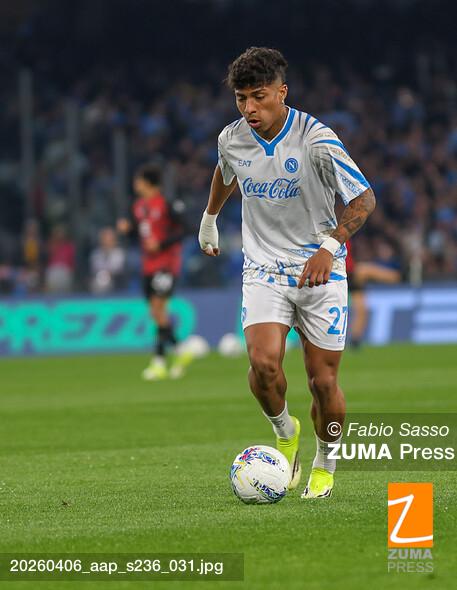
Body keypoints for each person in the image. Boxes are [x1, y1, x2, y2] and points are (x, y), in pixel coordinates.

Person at [198, 47, 376, 498]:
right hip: (263, 269)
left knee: (323, 382)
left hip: (321, 271)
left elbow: (363, 199)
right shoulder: (231, 138)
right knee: (262, 365)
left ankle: (325, 461)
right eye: (241, 98)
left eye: (258, 96)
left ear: (282, 92)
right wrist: (209, 217)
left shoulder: (316, 139)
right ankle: (285, 430)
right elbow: (226, 172)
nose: (249, 108)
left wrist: (330, 248)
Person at [118, 163, 190, 380]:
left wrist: (162, 244)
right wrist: (128, 231)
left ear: (148, 183)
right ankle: (180, 351)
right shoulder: (138, 207)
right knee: (156, 313)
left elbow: (185, 230)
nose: (135, 184)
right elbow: (140, 235)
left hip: (167, 264)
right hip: (148, 265)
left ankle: (159, 361)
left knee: (158, 309)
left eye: (138, 180)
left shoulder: (167, 204)